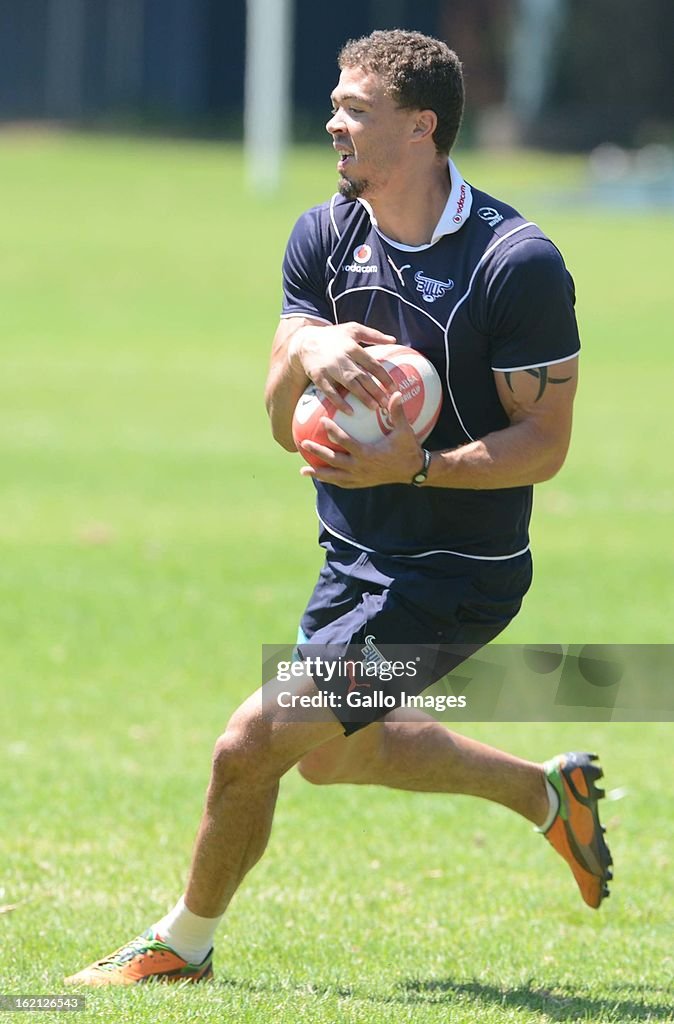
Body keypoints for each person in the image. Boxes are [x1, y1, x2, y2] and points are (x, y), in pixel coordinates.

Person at [65, 29, 612, 987]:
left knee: (250, 745)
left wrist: (417, 471)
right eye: (335, 103)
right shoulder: (326, 235)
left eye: (356, 108)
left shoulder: (514, 264)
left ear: (422, 127)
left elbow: (547, 446)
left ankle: (179, 946)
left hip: (455, 577)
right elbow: (285, 427)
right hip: (355, 553)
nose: (333, 122)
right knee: (324, 757)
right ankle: (546, 797)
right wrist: (303, 354)